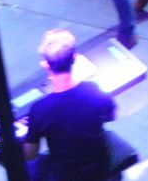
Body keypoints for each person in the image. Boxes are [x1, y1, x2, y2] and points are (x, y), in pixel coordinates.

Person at [23, 28, 129, 181]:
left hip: (67, 176)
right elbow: (112, 115)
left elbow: (30, 154)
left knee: (25, 168)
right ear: (75, 58)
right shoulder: (93, 90)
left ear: (45, 64)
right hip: (99, 166)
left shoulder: (40, 108)